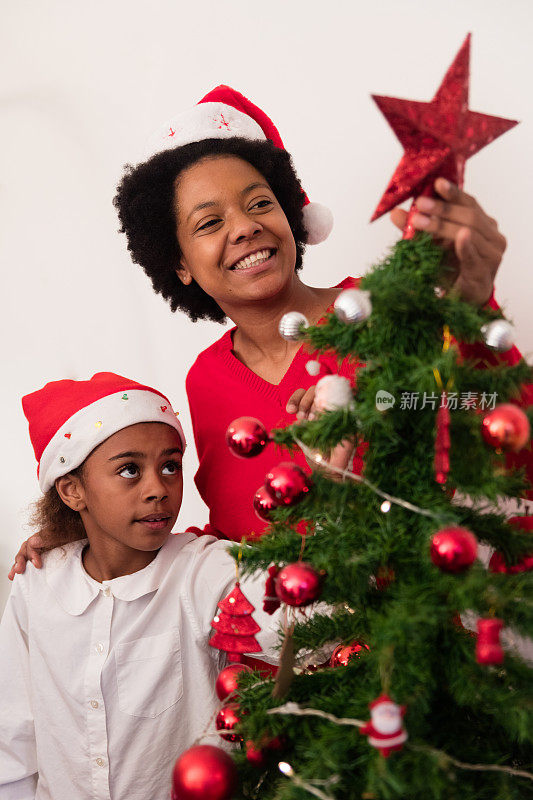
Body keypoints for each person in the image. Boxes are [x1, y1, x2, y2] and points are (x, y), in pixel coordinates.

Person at [9, 85, 531, 571]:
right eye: (209, 223)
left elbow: (514, 449)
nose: (245, 226)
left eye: (261, 203)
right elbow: (235, 537)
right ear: (180, 264)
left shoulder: (388, 310)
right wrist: (92, 539)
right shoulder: (206, 380)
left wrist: (474, 307)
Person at [0, 372, 279, 800]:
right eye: (129, 470)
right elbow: (14, 733)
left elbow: (301, 624)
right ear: (73, 490)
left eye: (171, 466)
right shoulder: (37, 583)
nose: (158, 489)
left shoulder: (202, 570)